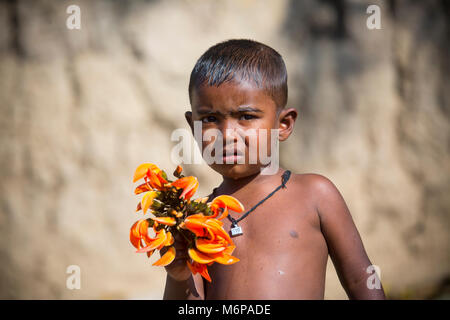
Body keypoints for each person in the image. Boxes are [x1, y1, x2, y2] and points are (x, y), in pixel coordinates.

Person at [162, 39, 385, 300]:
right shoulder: (197, 220)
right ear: (193, 126)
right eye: (210, 119)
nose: (227, 134)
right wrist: (178, 275)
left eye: (246, 117)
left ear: (283, 124)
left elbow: (361, 281)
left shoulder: (315, 194)